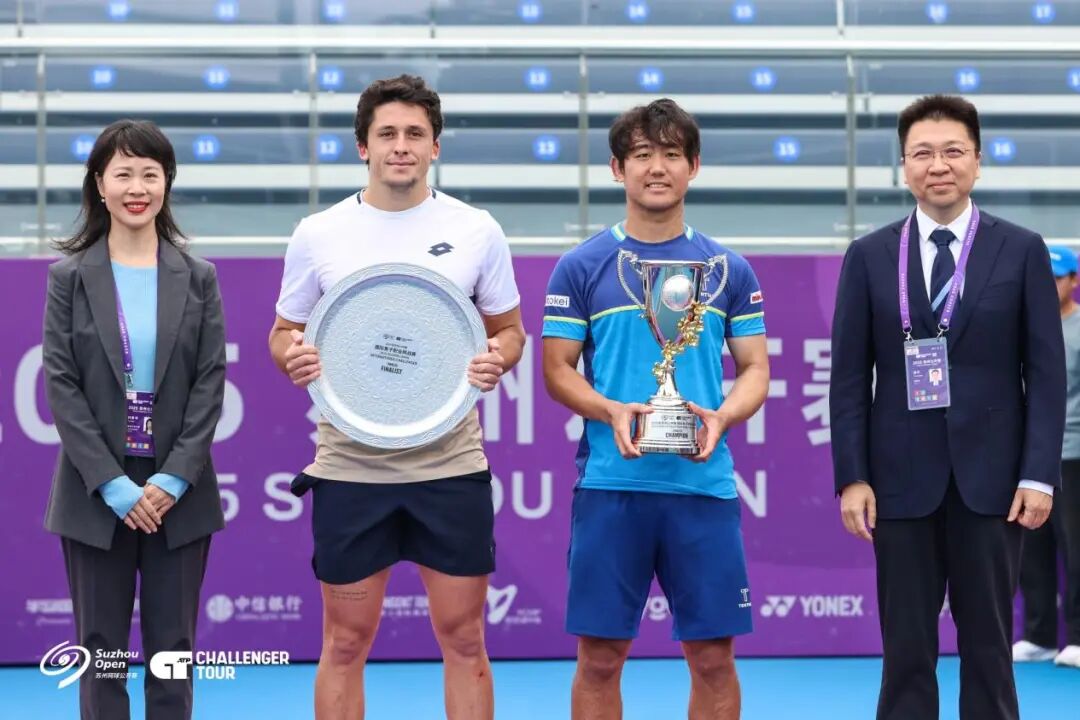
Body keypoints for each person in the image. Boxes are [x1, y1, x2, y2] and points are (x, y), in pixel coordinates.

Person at [268, 74, 525, 720]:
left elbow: (511, 331)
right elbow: (282, 333)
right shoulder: (319, 233)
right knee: (344, 641)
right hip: (350, 467)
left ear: (435, 145)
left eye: (415, 133)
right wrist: (292, 355)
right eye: (387, 134)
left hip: (450, 465)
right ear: (364, 146)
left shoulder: (476, 229)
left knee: (465, 639)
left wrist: (498, 357)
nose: (401, 146)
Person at [829, 94, 1065, 720]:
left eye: (953, 151)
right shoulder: (869, 255)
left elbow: (1046, 374)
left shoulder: (1021, 249)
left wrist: (1038, 475)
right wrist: (852, 476)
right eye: (923, 153)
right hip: (899, 483)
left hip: (994, 484)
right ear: (904, 166)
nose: (939, 165)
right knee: (906, 649)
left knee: (989, 648)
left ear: (978, 161)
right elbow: (848, 380)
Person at [542, 98, 770, 720]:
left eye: (671, 153)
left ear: (693, 166)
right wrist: (610, 410)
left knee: (714, 659)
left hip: (703, 488)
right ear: (618, 169)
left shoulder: (730, 270)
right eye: (642, 154)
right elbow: (557, 370)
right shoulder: (581, 266)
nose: (657, 167)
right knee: (599, 658)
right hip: (611, 487)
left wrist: (723, 417)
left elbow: (755, 369)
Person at [43, 119, 227, 720]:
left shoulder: (198, 277)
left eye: (150, 173)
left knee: (173, 652)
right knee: (100, 653)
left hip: (179, 491)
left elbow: (210, 384)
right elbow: (62, 385)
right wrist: (114, 485)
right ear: (99, 184)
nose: (137, 187)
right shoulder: (68, 278)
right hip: (96, 489)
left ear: (166, 183)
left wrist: (172, 480)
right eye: (122, 174)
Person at [1013, 245, 1080, 668]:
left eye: (1057, 278)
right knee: (1030, 547)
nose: (1050, 286)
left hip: (1073, 454)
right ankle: (1039, 635)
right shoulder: (1022, 327)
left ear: (1074, 281)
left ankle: (1078, 636)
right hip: (1027, 456)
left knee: (1075, 548)